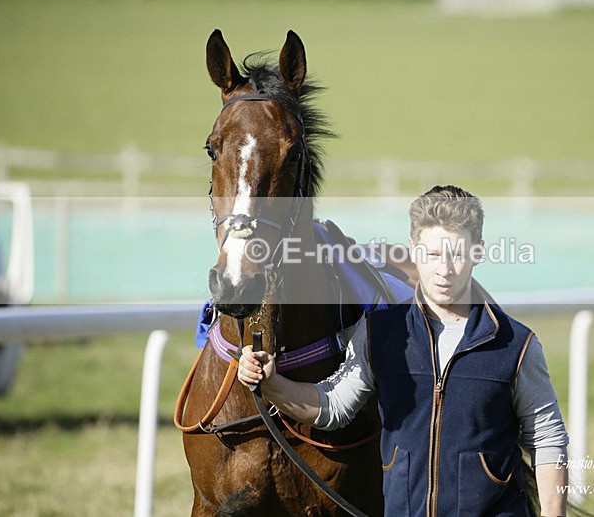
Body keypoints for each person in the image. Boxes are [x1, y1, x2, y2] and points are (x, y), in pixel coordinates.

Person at [238, 185, 569, 516]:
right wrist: (271, 383)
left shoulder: (516, 344)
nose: (444, 270)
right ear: (413, 249)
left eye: (457, 254)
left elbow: (548, 440)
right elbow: (333, 405)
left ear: (478, 252)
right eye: (433, 255)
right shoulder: (379, 334)